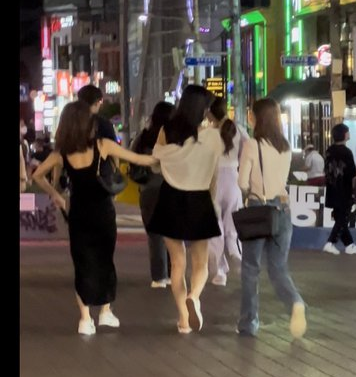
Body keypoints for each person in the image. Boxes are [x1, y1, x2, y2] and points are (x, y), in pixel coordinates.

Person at [32, 101, 157, 335]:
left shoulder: (61, 154)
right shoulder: (103, 145)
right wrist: (164, 157)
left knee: (82, 264)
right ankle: (105, 312)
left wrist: (55, 195)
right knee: (104, 260)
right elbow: (138, 159)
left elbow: (37, 175)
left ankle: (85, 319)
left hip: (78, 214)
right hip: (103, 213)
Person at [147, 85, 223, 334]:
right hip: (199, 199)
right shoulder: (210, 136)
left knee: (177, 263)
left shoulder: (166, 130)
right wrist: (212, 201)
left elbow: (156, 165)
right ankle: (194, 296)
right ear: (202, 109)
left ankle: (182, 319)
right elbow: (214, 174)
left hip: (170, 198)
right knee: (200, 262)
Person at [237, 97, 307, 339]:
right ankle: (295, 302)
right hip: (283, 210)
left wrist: (249, 192)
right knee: (278, 268)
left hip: (259, 210)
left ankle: (249, 322)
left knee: (250, 268)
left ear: (257, 118)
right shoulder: (285, 146)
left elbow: (242, 182)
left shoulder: (252, 145)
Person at [130, 101, 175, 288]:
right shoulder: (175, 138)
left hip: (149, 190)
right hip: (172, 189)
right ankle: (173, 272)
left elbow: (133, 162)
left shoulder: (143, 138)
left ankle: (159, 277)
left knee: (155, 235)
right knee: (173, 233)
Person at [207, 97, 248, 286]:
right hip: (233, 178)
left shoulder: (209, 134)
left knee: (214, 228)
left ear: (210, 113)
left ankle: (220, 271)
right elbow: (248, 153)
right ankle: (235, 252)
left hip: (213, 180)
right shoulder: (239, 130)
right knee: (232, 224)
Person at [323, 123, 356, 255]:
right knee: (343, 217)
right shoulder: (347, 152)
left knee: (339, 216)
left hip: (332, 188)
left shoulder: (329, 150)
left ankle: (349, 245)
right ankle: (330, 242)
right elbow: (352, 175)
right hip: (344, 189)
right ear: (345, 135)